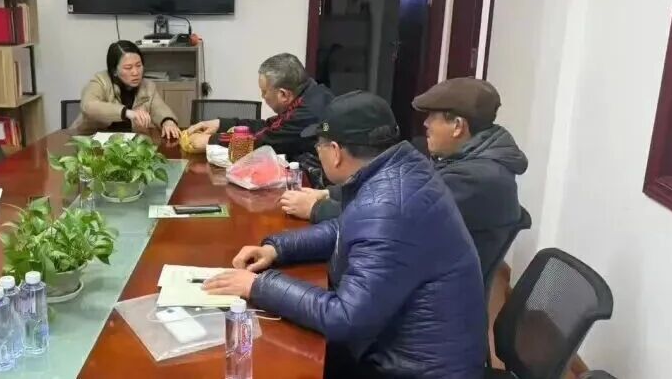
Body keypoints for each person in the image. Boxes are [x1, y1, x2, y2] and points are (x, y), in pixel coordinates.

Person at [204, 91, 486, 378]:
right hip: (402, 347)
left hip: (410, 368)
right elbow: (347, 226)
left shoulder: (388, 205)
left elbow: (344, 318)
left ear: (336, 152)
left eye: (319, 145)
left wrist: (258, 286)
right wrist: (277, 249)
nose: (318, 152)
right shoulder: (400, 171)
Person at [280, 78, 528, 275]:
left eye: (433, 117)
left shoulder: (478, 179)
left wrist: (318, 209)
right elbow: (394, 188)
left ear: (458, 126)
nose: (426, 124)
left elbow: (388, 217)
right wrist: (328, 193)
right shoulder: (464, 160)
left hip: (431, 299)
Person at [184, 53, 333, 172]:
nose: (262, 96)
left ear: (283, 94)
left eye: (264, 91)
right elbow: (272, 126)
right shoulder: (310, 93)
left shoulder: (307, 113)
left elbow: (260, 141)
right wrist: (221, 124)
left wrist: (211, 140)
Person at [72, 40, 180, 139]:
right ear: (114, 71)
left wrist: (168, 121)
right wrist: (127, 113)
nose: (135, 72)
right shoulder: (101, 81)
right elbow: (88, 106)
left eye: (138, 65)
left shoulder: (148, 86)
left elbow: (160, 109)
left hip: (130, 144)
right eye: (128, 68)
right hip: (90, 142)